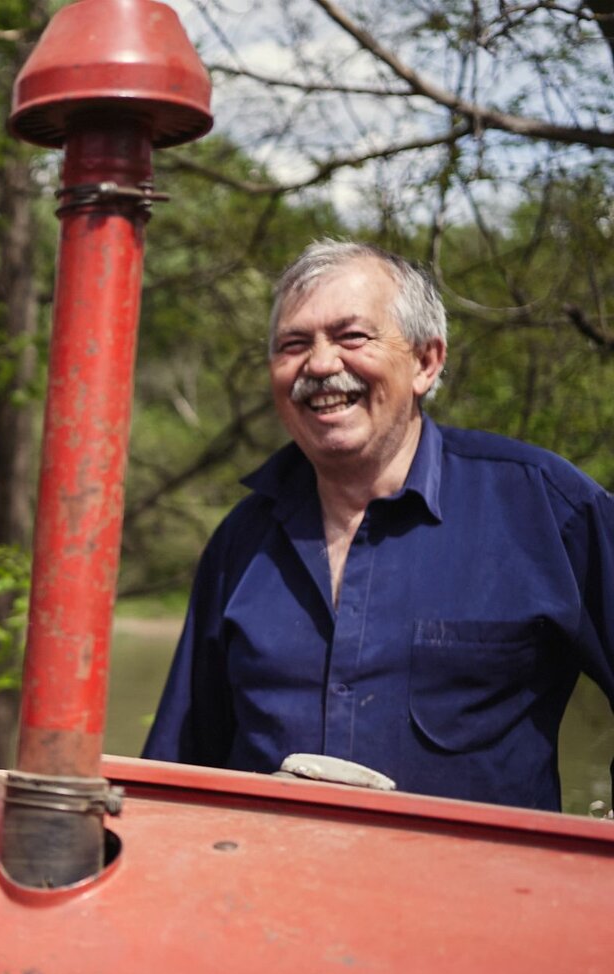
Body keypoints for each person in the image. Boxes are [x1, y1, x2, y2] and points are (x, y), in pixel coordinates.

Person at [144, 240, 614, 810]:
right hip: (269, 892)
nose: (319, 365)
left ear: (425, 362)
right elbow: (179, 767)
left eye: (352, 337)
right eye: (294, 344)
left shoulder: (544, 508)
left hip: (482, 897)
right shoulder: (242, 541)